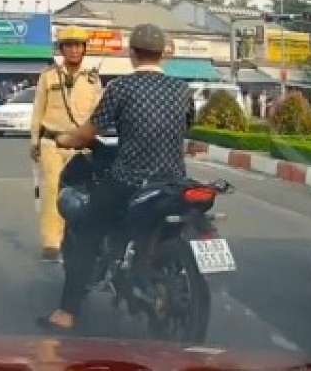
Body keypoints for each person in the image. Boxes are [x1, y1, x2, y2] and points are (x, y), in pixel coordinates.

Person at [38, 23, 193, 333]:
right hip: (174, 180)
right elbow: (186, 124)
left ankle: (66, 313)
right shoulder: (182, 88)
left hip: (130, 178)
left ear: (132, 53)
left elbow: (89, 132)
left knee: (87, 232)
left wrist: (67, 140)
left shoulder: (121, 87)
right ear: (162, 54)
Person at [29, 25, 102, 262]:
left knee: (82, 192)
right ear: (61, 49)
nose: (73, 50)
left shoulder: (92, 79)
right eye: (68, 45)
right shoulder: (48, 76)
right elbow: (37, 110)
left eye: (78, 46)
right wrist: (34, 141)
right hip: (52, 142)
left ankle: (79, 238)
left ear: (84, 50)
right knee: (53, 191)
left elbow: (98, 113)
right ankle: (52, 242)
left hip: (80, 145)